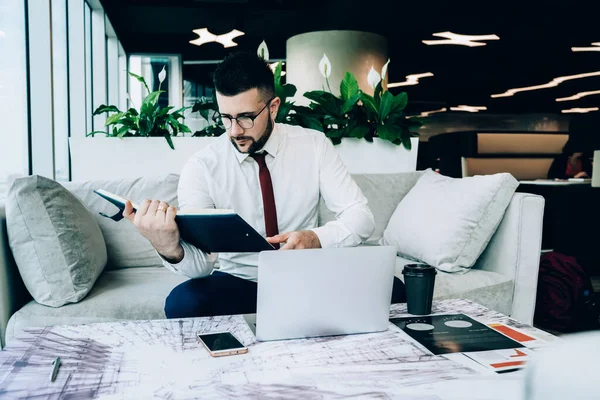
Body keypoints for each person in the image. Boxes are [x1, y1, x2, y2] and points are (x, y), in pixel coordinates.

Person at [122, 51, 406, 318]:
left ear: (273, 108)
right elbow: (203, 265)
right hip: (240, 280)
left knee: (393, 289)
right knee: (182, 303)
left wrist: (315, 238)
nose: (234, 131)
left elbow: (361, 218)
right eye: (225, 117)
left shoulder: (313, 146)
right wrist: (169, 247)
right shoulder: (202, 167)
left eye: (245, 118)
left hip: (307, 274)